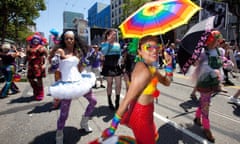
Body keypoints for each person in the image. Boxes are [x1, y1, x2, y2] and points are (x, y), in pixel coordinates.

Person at [100, 35, 171, 144]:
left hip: (148, 114)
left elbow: (167, 82)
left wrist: (169, 65)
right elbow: (126, 101)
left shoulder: (151, 68)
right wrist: (112, 129)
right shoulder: (144, 72)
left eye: (157, 47)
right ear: (139, 52)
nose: (154, 51)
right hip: (141, 118)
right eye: (149, 47)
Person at [48, 30, 97, 144]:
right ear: (63, 40)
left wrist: (85, 62)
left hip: (79, 81)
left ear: (75, 40)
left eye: (71, 38)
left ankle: (84, 122)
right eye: (67, 38)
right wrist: (54, 65)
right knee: (64, 113)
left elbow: (79, 68)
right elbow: (51, 70)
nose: (69, 40)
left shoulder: (77, 52)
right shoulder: (60, 51)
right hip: (67, 86)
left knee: (93, 101)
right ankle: (59, 134)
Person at [192, 30, 224, 143]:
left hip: (214, 82)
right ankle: (206, 129)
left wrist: (226, 63)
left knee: (204, 102)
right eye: (216, 40)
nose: (218, 42)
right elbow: (198, 65)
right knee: (206, 105)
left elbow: (220, 63)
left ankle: (197, 117)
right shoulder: (202, 52)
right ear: (210, 40)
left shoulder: (218, 50)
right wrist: (198, 61)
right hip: (205, 82)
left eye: (218, 40)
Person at [100, 29, 122, 110]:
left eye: (115, 35)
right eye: (113, 34)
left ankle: (117, 101)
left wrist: (121, 63)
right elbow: (104, 53)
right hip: (108, 66)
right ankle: (109, 101)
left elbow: (119, 55)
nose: (114, 36)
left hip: (116, 66)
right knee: (109, 84)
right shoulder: (104, 44)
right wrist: (108, 42)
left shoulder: (118, 44)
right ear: (108, 35)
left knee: (119, 84)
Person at [26, 33, 48, 101]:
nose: (36, 40)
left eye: (37, 39)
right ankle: (36, 90)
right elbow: (27, 56)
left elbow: (47, 57)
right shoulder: (29, 47)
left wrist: (45, 64)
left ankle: (40, 94)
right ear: (32, 40)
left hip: (39, 65)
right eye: (34, 39)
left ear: (40, 40)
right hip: (31, 65)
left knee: (39, 80)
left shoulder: (42, 48)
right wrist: (24, 63)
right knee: (30, 79)